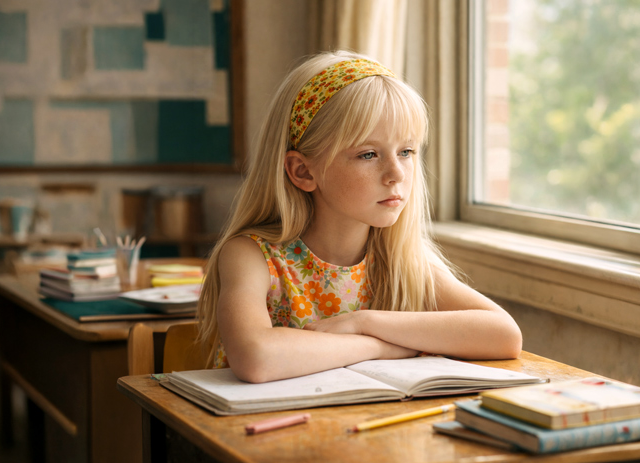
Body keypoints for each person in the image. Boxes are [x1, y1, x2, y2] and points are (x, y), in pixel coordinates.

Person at [197, 50, 522, 383]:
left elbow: (504, 334)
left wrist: (364, 323)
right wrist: (378, 347)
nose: (396, 173)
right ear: (303, 171)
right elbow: (255, 357)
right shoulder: (252, 255)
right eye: (368, 154)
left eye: (406, 151)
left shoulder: (401, 260)